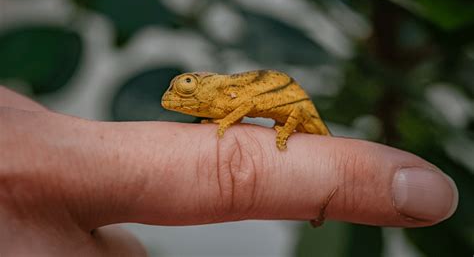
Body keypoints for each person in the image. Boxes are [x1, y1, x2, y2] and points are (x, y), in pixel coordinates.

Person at [0, 86, 458, 256]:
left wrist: (276, 136)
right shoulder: (220, 100)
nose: (178, 102)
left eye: (185, 92)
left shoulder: (230, 96)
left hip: (294, 109)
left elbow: (262, 104)